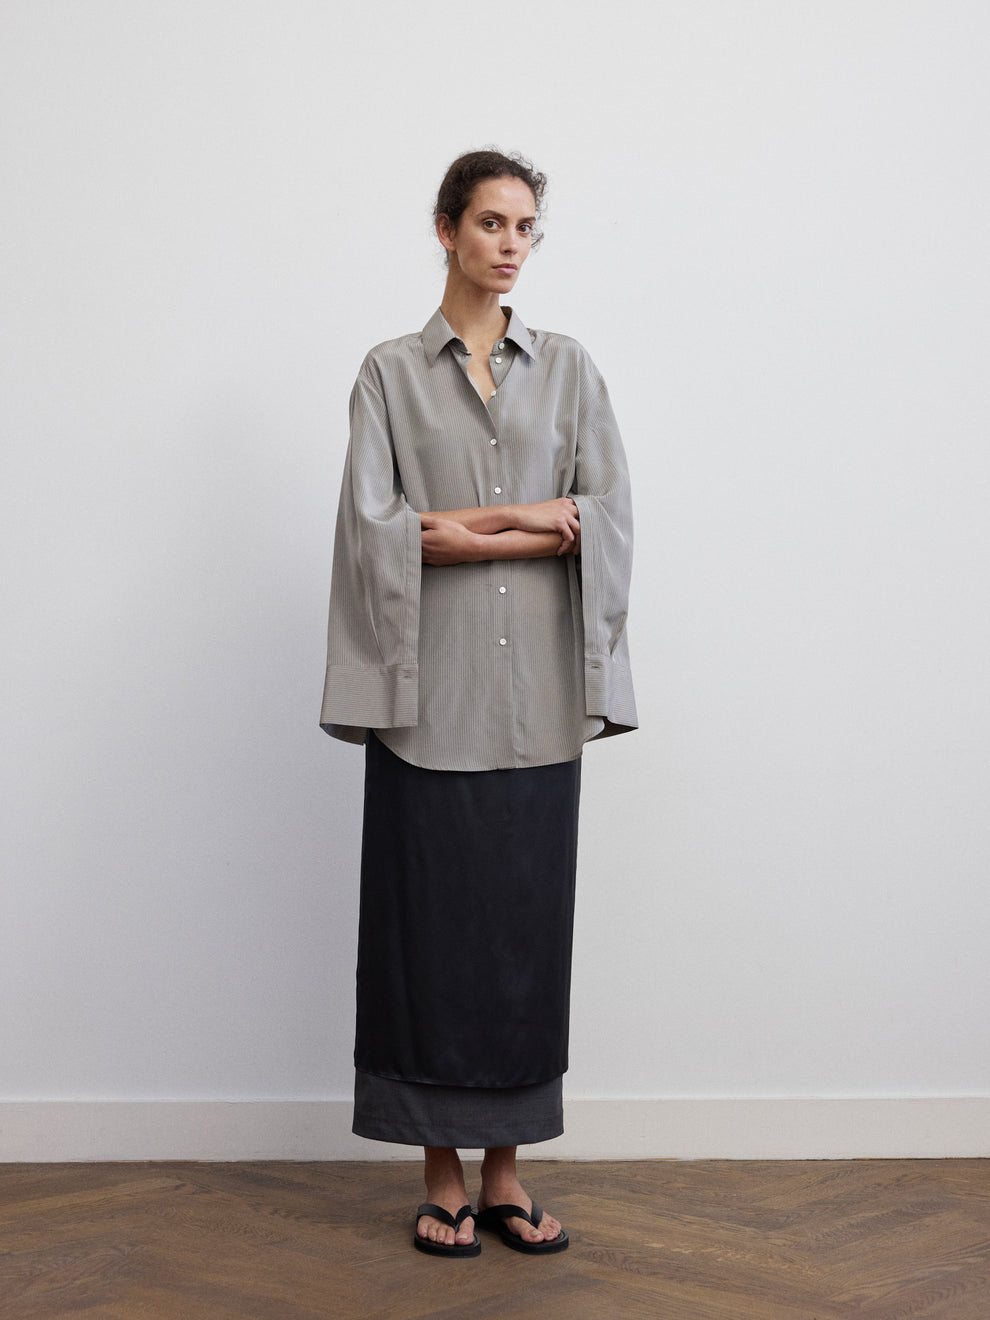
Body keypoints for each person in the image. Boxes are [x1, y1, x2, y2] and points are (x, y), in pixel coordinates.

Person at [320, 149, 636, 1257]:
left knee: (521, 944)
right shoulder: (388, 376)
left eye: (527, 228)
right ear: (446, 230)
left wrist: (470, 525)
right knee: (430, 945)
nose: (511, 245)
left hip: (540, 706)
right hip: (429, 707)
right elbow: (382, 535)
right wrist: (522, 522)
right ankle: (442, 1176)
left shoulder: (572, 370)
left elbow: (603, 519)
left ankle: (507, 1177)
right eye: (492, 223)